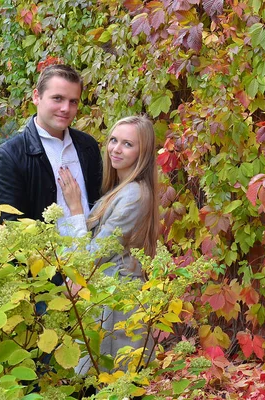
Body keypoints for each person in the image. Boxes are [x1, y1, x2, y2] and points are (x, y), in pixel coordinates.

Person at [57, 115, 159, 372]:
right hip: (107, 297)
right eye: (113, 140)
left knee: (111, 381)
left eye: (128, 144)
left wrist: (76, 208)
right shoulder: (120, 189)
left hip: (116, 304)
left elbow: (95, 254)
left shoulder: (134, 194)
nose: (116, 148)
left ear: (142, 152)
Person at [0, 64, 102, 225]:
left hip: (93, 248)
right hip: (43, 250)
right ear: (36, 97)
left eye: (73, 102)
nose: (66, 108)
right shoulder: (10, 156)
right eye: (58, 98)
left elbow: (99, 203)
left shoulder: (88, 146)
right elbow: (10, 226)